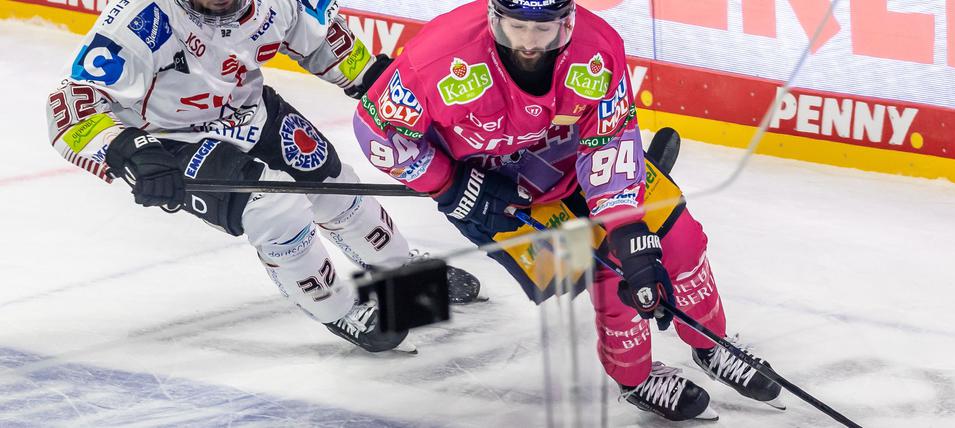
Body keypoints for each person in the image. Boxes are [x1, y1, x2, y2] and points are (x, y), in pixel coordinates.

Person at [353, 0, 784, 420]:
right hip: (497, 194)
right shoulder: (440, 58)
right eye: (515, 27)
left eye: (543, 29)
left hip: (572, 159)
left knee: (678, 239)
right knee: (607, 272)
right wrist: (450, 185)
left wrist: (626, 226)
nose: (528, 43)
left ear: (568, 18)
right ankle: (636, 379)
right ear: (493, 15)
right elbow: (376, 133)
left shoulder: (597, 48)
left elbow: (610, 137)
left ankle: (712, 345)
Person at [44, 0, 483, 354]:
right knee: (275, 208)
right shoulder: (141, 20)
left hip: (250, 113)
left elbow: (331, 51)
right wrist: (130, 153)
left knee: (333, 186)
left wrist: (385, 90)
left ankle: (397, 269)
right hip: (168, 138)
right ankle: (337, 307)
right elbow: (68, 109)